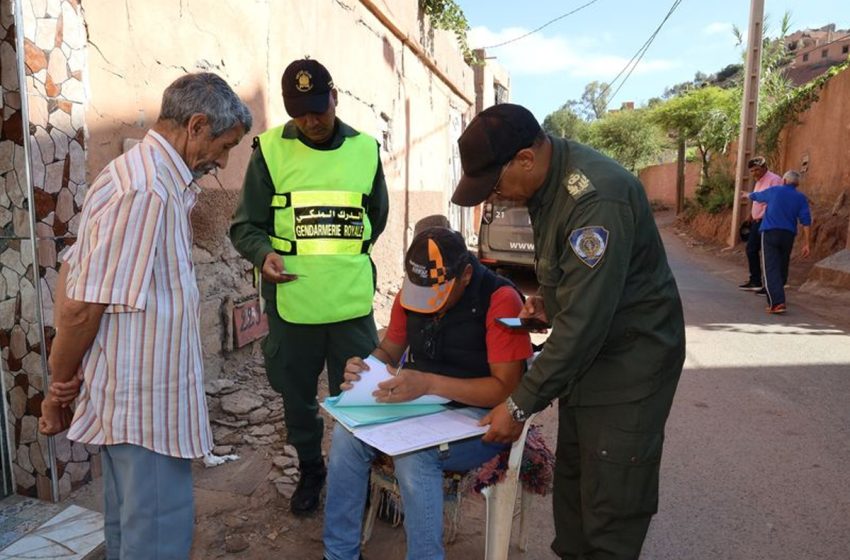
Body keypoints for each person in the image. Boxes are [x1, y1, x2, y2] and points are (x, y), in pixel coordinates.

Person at [451, 103, 686, 560]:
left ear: (524, 158)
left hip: (630, 366)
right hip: (589, 361)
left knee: (611, 500)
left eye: (494, 185)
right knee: (576, 486)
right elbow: (576, 286)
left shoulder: (596, 199)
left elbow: (584, 326)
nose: (493, 197)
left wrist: (517, 406)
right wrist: (549, 305)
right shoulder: (547, 184)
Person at [38, 72, 252, 559]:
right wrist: (58, 389)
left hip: (136, 407)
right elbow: (79, 307)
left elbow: (75, 276)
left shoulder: (137, 176)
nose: (221, 162)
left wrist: (64, 384)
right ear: (197, 125)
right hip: (145, 412)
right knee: (154, 541)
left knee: (131, 534)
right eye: (224, 146)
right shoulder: (147, 191)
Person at [229, 57, 389, 516]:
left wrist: (337, 259)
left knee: (360, 396)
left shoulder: (364, 150)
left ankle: (358, 475)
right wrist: (264, 255)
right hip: (293, 304)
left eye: (318, 108)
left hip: (350, 304)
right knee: (297, 398)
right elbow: (245, 227)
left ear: (334, 98)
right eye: (300, 112)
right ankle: (311, 469)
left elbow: (373, 220)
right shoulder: (271, 151)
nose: (311, 120)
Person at [322, 226, 532, 560]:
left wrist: (429, 384)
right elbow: (391, 348)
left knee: (414, 457)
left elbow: (505, 389)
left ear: (465, 275)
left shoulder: (500, 299)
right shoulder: (414, 291)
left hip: (481, 417)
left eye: (437, 296)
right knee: (347, 437)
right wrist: (366, 368)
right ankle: (339, 554)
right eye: (420, 295)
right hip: (422, 406)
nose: (428, 307)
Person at [741, 170, 812, 314]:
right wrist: (807, 243)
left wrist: (746, 194)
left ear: (784, 181)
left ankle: (777, 302)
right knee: (782, 264)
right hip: (788, 235)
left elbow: (758, 196)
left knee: (770, 267)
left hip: (770, 233)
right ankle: (779, 293)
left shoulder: (774, 191)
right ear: (796, 184)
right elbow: (806, 221)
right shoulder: (801, 198)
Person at [739, 156, 782, 293]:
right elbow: (758, 200)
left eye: (757, 170)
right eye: (752, 171)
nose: (754, 173)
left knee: (767, 253)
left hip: (767, 222)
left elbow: (774, 201)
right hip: (757, 221)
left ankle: (769, 285)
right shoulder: (759, 181)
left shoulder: (774, 180)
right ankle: (755, 280)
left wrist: (762, 216)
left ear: (764, 167)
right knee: (751, 250)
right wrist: (751, 215)